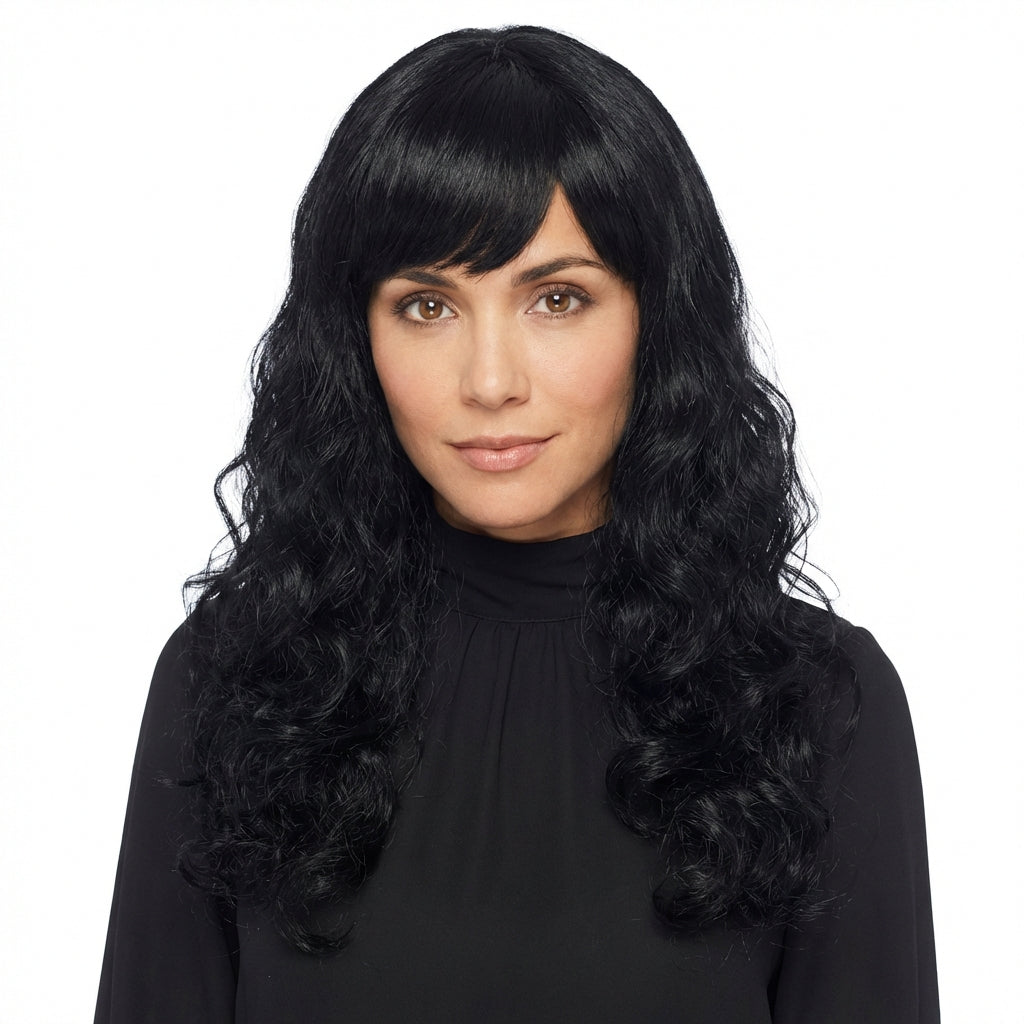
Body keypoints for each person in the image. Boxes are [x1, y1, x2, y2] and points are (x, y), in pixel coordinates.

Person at [94, 25, 939, 1023]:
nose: (490, 382)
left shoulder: (815, 706)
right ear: (355, 337)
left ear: (657, 319)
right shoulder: (233, 681)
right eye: (426, 306)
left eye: (557, 298)